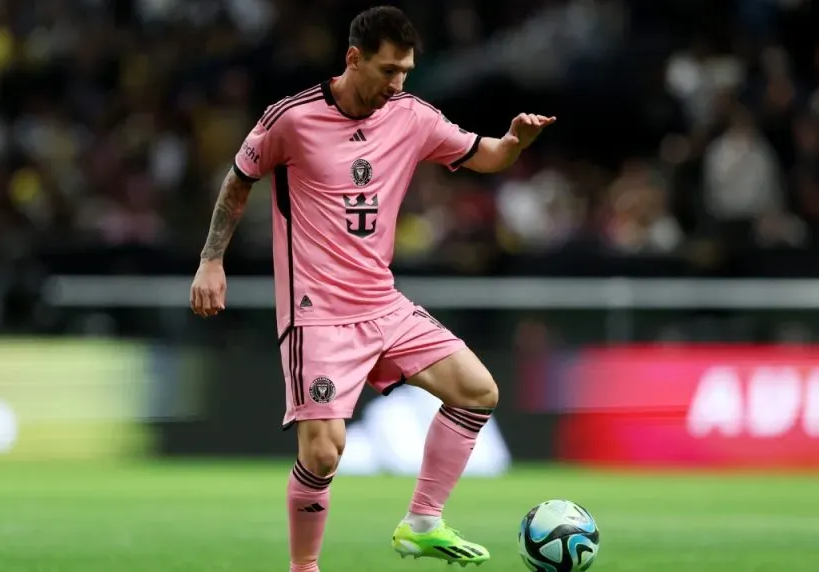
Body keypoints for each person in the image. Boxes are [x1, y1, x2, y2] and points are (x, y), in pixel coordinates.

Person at [189, 6, 554, 571]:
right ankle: (304, 567)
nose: (398, 83)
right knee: (324, 450)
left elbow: (483, 154)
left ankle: (422, 523)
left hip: (383, 304)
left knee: (477, 391)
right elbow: (238, 181)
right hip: (318, 315)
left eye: (406, 71)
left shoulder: (411, 115)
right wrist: (212, 259)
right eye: (388, 70)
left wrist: (514, 142)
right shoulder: (292, 119)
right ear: (353, 58)